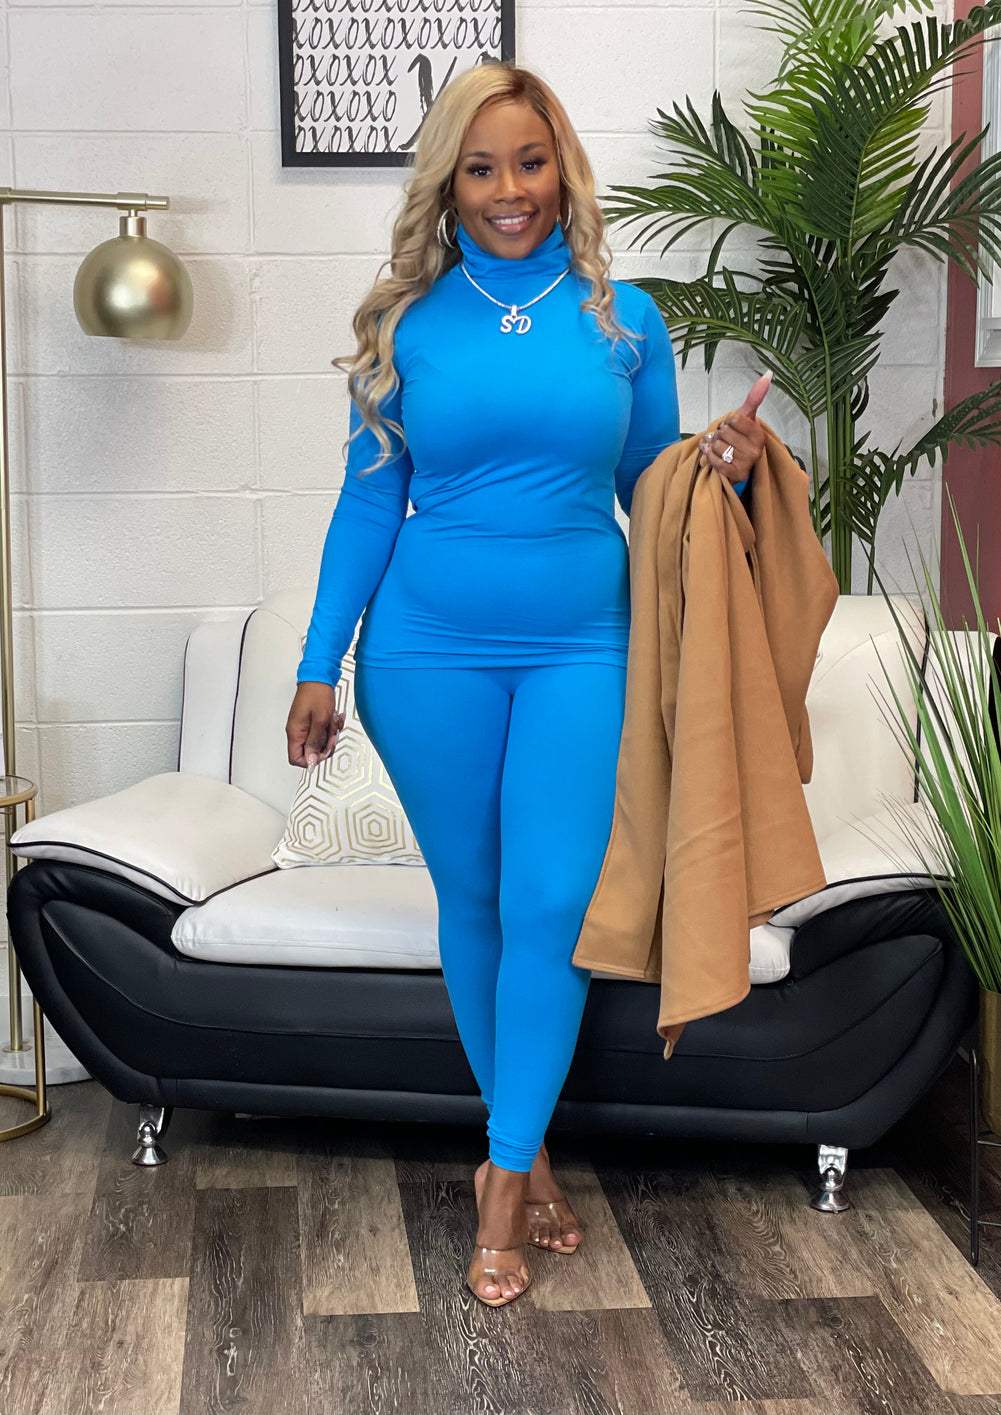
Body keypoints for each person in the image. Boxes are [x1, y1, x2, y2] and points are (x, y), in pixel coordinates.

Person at [285, 62, 768, 1308]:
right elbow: (368, 501)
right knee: (479, 899)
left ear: (564, 167)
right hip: (424, 654)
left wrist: (718, 469)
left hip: (584, 649)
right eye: (482, 168)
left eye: (532, 162)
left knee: (553, 901)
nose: (511, 190)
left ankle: (498, 1183)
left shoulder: (625, 319)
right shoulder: (408, 324)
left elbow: (650, 484)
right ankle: (532, 1146)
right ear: (449, 184)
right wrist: (317, 662)